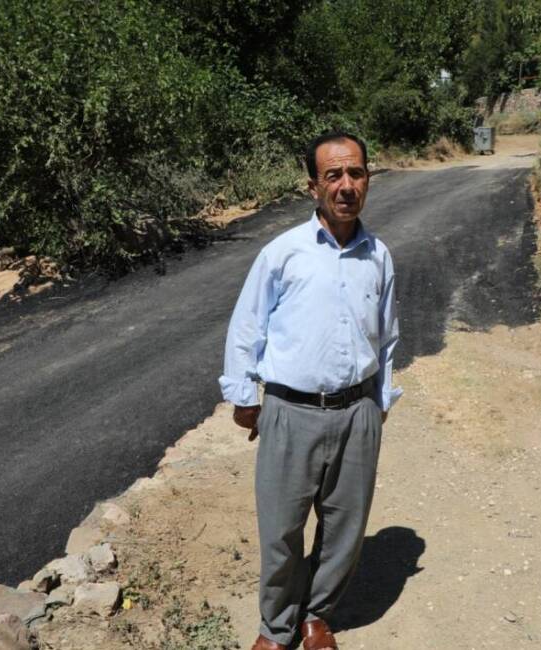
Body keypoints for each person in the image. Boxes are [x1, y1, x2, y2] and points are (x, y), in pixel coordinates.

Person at [219, 131, 402, 650]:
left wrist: (379, 402)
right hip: (290, 411)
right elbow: (246, 328)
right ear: (313, 186)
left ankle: (317, 616)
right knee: (281, 529)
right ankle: (275, 628)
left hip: (358, 410)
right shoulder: (283, 253)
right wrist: (244, 397)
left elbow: (387, 337)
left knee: (345, 527)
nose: (346, 186)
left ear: (368, 179)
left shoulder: (379, 256)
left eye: (356, 173)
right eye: (333, 175)